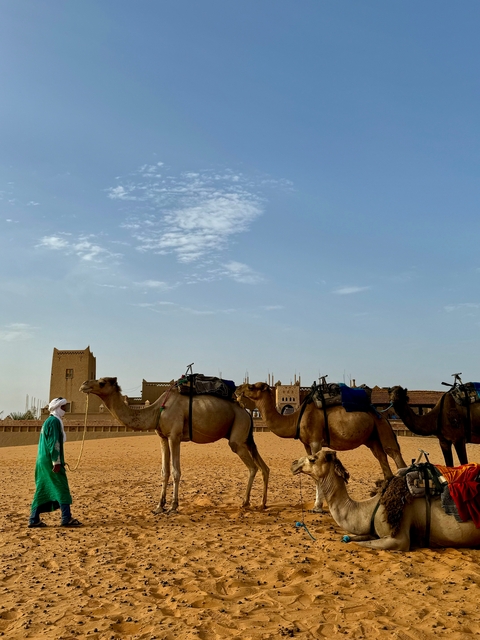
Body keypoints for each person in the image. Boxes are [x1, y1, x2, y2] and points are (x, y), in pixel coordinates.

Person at [28, 397, 82, 528]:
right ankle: (66, 518)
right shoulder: (53, 422)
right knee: (61, 486)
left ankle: (34, 519)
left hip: (43, 460)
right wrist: (56, 461)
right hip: (50, 461)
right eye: (63, 407)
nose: (65, 410)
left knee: (42, 487)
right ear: (57, 408)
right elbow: (54, 443)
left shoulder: (50, 421)